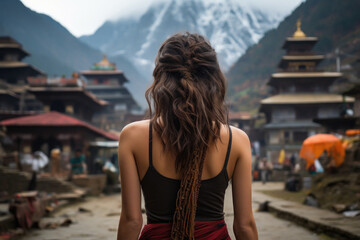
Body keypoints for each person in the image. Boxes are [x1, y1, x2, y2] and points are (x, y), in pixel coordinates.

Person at [117, 33, 258, 240]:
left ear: (161, 78)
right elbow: (244, 226)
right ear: (213, 79)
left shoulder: (132, 136)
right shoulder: (237, 140)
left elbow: (132, 221)